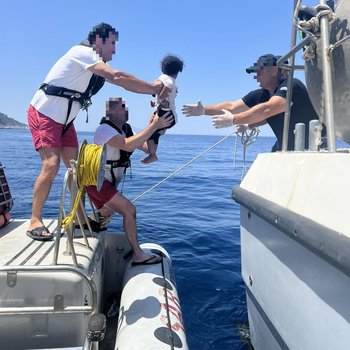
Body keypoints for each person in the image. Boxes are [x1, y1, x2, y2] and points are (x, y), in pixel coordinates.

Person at [27, 23, 166, 241]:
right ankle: (35, 220)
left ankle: (78, 218)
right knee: (51, 164)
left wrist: (154, 118)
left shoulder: (92, 65)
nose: (114, 50)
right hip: (44, 113)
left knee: (78, 171)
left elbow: (120, 80)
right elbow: (117, 77)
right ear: (98, 41)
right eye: (112, 43)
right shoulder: (82, 53)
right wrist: (152, 88)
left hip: (65, 122)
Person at [85, 97, 173, 265]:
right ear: (108, 113)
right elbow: (128, 146)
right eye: (118, 108)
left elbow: (147, 148)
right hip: (97, 182)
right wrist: (154, 125)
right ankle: (138, 255)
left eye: (124, 108)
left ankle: (88, 223)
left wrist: (156, 131)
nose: (123, 111)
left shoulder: (126, 129)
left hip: (110, 182)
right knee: (129, 210)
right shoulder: (104, 129)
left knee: (107, 212)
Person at [182, 53, 323, 152]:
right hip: (288, 146)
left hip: (317, 146)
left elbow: (270, 109)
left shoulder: (292, 85)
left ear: (274, 70)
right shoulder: (261, 94)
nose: (256, 77)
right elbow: (231, 107)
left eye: (259, 72)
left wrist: (234, 120)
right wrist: (204, 110)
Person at [141, 55, 184, 164]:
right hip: (169, 115)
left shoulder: (164, 79)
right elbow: (166, 90)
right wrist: (157, 101)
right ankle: (153, 153)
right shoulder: (169, 80)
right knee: (153, 133)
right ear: (178, 71)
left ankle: (152, 154)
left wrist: (158, 100)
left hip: (167, 113)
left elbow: (166, 90)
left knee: (150, 132)